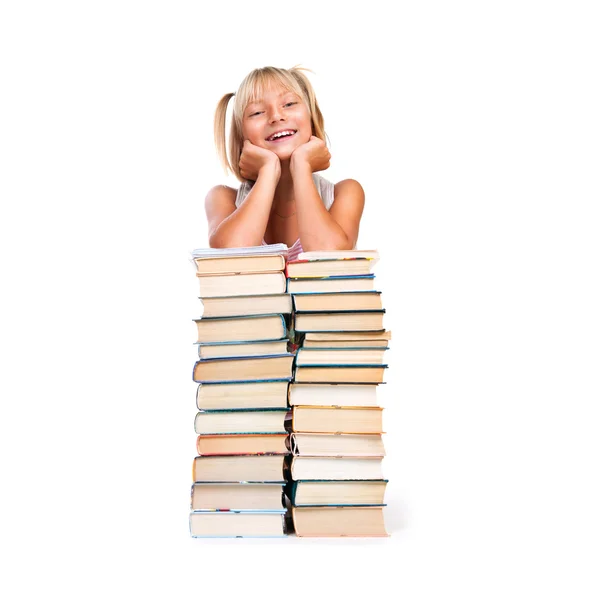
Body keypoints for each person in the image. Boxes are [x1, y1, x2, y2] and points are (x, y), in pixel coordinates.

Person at [205, 66, 365, 260]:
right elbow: (233, 256)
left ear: (311, 120)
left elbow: (327, 254)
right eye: (257, 112)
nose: (276, 117)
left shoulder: (345, 193)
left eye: (289, 104)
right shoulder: (223, 199)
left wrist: (302, 166)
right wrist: (267, 170)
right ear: (241, 138)